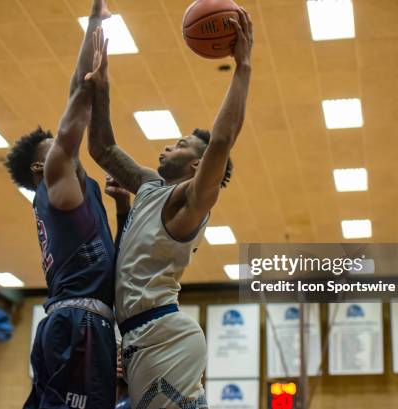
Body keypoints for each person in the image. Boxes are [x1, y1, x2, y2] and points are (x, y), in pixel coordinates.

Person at [85, 8, 253, 408]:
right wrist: (101, 87)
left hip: (163, 335)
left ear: (197, 166)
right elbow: (102, 149)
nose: (166, 147)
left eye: (179, 145)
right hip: (140, 334)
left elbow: (222, 139)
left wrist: (243, 65)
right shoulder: (147, 186)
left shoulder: (191, 202)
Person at [4, 1, 118, 407]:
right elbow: (76, 105)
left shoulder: (70, 184)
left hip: (75, 321)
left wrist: (93, 27)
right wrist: (91, 78)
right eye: (56, 145)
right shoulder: (55, 175)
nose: (65, 146)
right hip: (77, 323)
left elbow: (76, 95)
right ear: (41, 164)